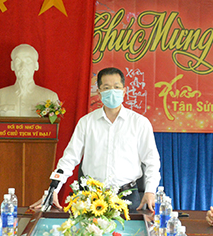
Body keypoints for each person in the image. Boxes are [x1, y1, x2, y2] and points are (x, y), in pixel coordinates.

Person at [32, 67, 161, 211]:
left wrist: (150, 191)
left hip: (127, 197)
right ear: (99, 92)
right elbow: (69, 158)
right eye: (106, 87)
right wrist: (53, 189)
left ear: (124, 91)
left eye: (116, 87)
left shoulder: (139, 123)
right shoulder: (86, 122)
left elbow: (152, 161)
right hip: (91, 197)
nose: (112, 91)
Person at [0, 44, 60, 116]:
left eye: (28, 61)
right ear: (12, 65)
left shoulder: (50, 97)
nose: (23, 66)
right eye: (18, 61)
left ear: (36, 65)